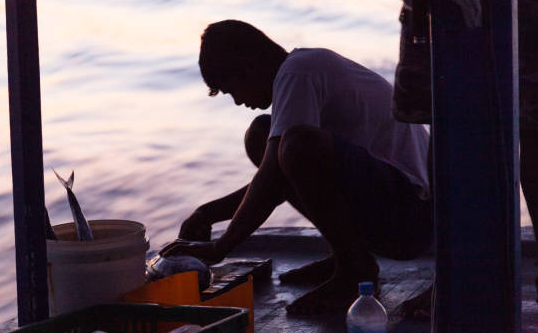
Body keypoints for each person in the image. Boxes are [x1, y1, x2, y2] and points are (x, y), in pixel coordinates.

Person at [160, 19, 433, 314]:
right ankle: (346, 253)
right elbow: (274, 178)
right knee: (263, 136)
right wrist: (207, 214)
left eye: (232, 90)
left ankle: (354, 270)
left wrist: (220, 246)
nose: (238, 102)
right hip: (392, 209)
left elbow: (274, 178)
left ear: (249, 68)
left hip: (410, 219)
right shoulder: (300, 71)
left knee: (296, 144)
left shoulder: (298, 71)